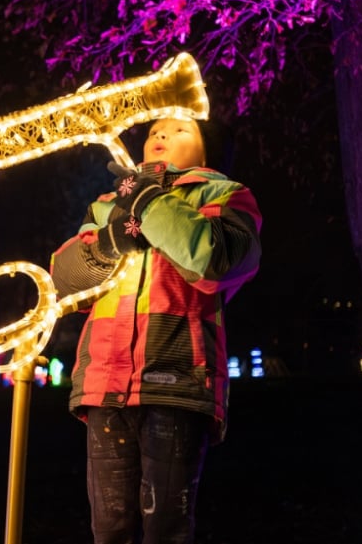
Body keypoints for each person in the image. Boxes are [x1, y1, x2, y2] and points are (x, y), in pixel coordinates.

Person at [49, 117, 262, 544]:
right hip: (104, 383)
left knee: (165, 529)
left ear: (205, 152)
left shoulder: (224, 195)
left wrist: (148, 201)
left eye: (180, 131)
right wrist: (110, 240)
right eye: (154, 132)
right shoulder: (107, 205)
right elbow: (64, 280)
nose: (161, 136)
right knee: (108, 531)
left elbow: (210, 259)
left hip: (177, 382)